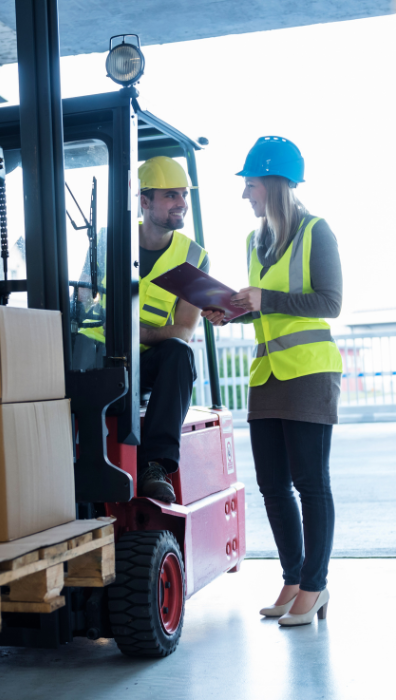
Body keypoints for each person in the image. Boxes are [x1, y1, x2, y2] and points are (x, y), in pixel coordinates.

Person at [203, 136, 342, 626]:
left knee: (310, 483)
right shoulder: (253, 241)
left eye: (251, 184)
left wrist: (265, 300)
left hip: (309, 372)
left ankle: (315, 585)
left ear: (275, 184)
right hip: (267, 373)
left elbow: (330, 303)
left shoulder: (316, 231)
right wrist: (232, 312)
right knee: (272, 485)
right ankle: (293, 577)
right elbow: (263, 308)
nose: (245, 194)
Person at [77, 156, 209, 503]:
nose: (181, 203)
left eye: (183, 195)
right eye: (171, 195)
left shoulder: (193, 256)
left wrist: (135, 332)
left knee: (179, 353)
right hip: (95, 355)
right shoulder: (109, 240)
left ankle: (155, 466)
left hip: (144, 364)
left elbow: (183, 331)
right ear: (144, 201)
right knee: (71, 350)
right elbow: (82, 299)